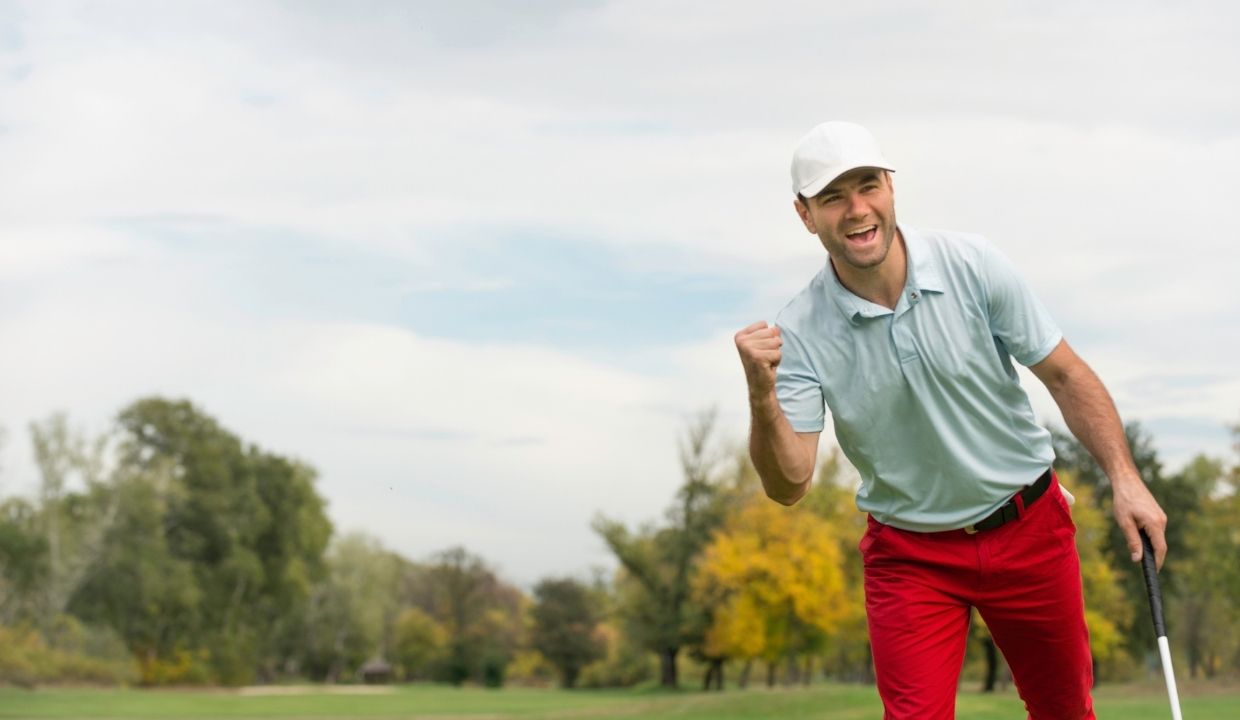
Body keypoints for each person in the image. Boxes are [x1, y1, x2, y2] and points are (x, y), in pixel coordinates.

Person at [733, 121, 1169, 720]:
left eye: (868, 186)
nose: (857, 210)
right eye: (833, 197)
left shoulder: (972, 264)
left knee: (1064, 709)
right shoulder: (801, 331)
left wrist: (1125, 478)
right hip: (911, 555)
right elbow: (789, 485)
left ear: (890, 187)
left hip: (1029, 528)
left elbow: (1065, 375)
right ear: (806, 215)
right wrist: (762, 393)